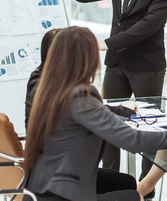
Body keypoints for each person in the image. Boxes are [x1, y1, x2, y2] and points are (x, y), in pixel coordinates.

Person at [35, 0, 167, 196]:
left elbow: (149, 24)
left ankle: (143, 192)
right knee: (106, 126)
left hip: (147, 67)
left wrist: (108, 43)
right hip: (116, 66)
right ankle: (112, 189)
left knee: (149, 130)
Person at [23, 26, 167, 201]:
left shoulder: (49, 88)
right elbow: (133, 141)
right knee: (134, 197)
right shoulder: (78, 95)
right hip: (62, 194)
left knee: (126, 183)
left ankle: (146, 186)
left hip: (42, 185)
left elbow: (88, 119)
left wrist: (115, 122)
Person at [24, 28, 139, 195]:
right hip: (57, 177)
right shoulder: (46, 84)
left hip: (53, 170)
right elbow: (85, 111)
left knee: (126, 182)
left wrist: (121, 112)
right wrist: (123, 112)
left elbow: (87, 110)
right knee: (131, 192)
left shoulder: (45, 78)